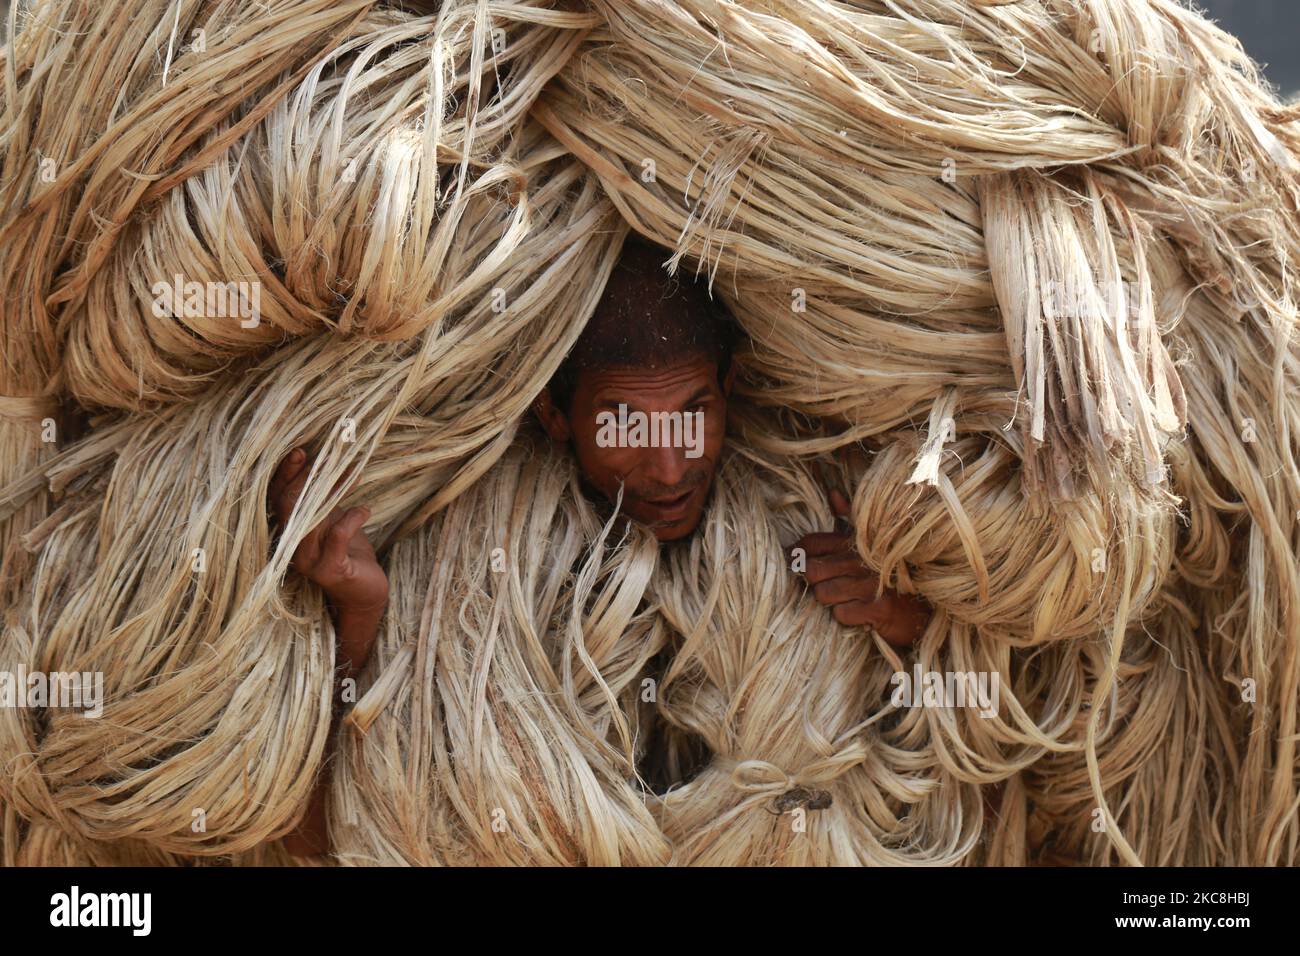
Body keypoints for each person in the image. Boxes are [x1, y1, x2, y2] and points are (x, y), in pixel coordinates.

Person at [270, 239, 932, 855]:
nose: (669, 468)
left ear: (728, 391)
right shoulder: (474, 571)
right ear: (555, 416)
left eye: (693, 414)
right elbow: (318, 835)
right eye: (624, 424)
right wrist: (360, 612)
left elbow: (946, 775)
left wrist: (906, 624)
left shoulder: (803, 515)